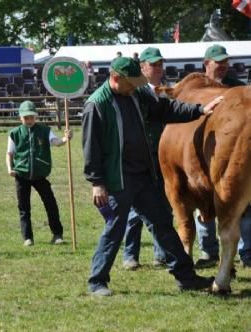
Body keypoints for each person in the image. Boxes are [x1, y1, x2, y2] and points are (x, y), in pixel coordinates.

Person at [82, 57, 222, 296]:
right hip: (118, 178)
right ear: (116, 78)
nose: (136, 86)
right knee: (115, 228)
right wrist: (97, 183)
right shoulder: (97, 105)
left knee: (163, 224)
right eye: (132, 83)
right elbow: (90, 147)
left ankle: (186, 278)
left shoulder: (137, 94)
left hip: (144, 175)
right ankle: (97, 281)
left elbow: (165, 109)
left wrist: (199, 110)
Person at [194, 44, 250, 268]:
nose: (223, 66)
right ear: (206, 63)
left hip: (234, 153)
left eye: (225, 61)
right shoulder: (198, 90)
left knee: (244, 204)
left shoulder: (237, 87)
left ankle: (247, 253)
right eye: (218, 61)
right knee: (204, 203)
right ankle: (208, 252)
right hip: (204, 154)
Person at [122, 47, 168, 270]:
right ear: (142, 67)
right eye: (153, 64)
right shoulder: (135, 92)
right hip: (139, 158)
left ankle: (161, 253)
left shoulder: (167, 91)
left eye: (160, 64)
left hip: (162, 157)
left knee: (163, 206)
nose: (158, 68)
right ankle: (130, 255)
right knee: (135, 211)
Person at [6, 100, 71, 246]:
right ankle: (27, 237)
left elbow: (56, 142)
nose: (29, 120)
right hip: (21, 175)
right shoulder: (14, 133)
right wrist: (10, 168)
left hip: (40, 175)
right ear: (20, 118)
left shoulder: (44, 130)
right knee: (24, 207)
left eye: (31, 117)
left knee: (50, 204)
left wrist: (65, 139)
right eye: (26, 117)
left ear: (36, 117)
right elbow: (9, 153)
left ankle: (57, 234)